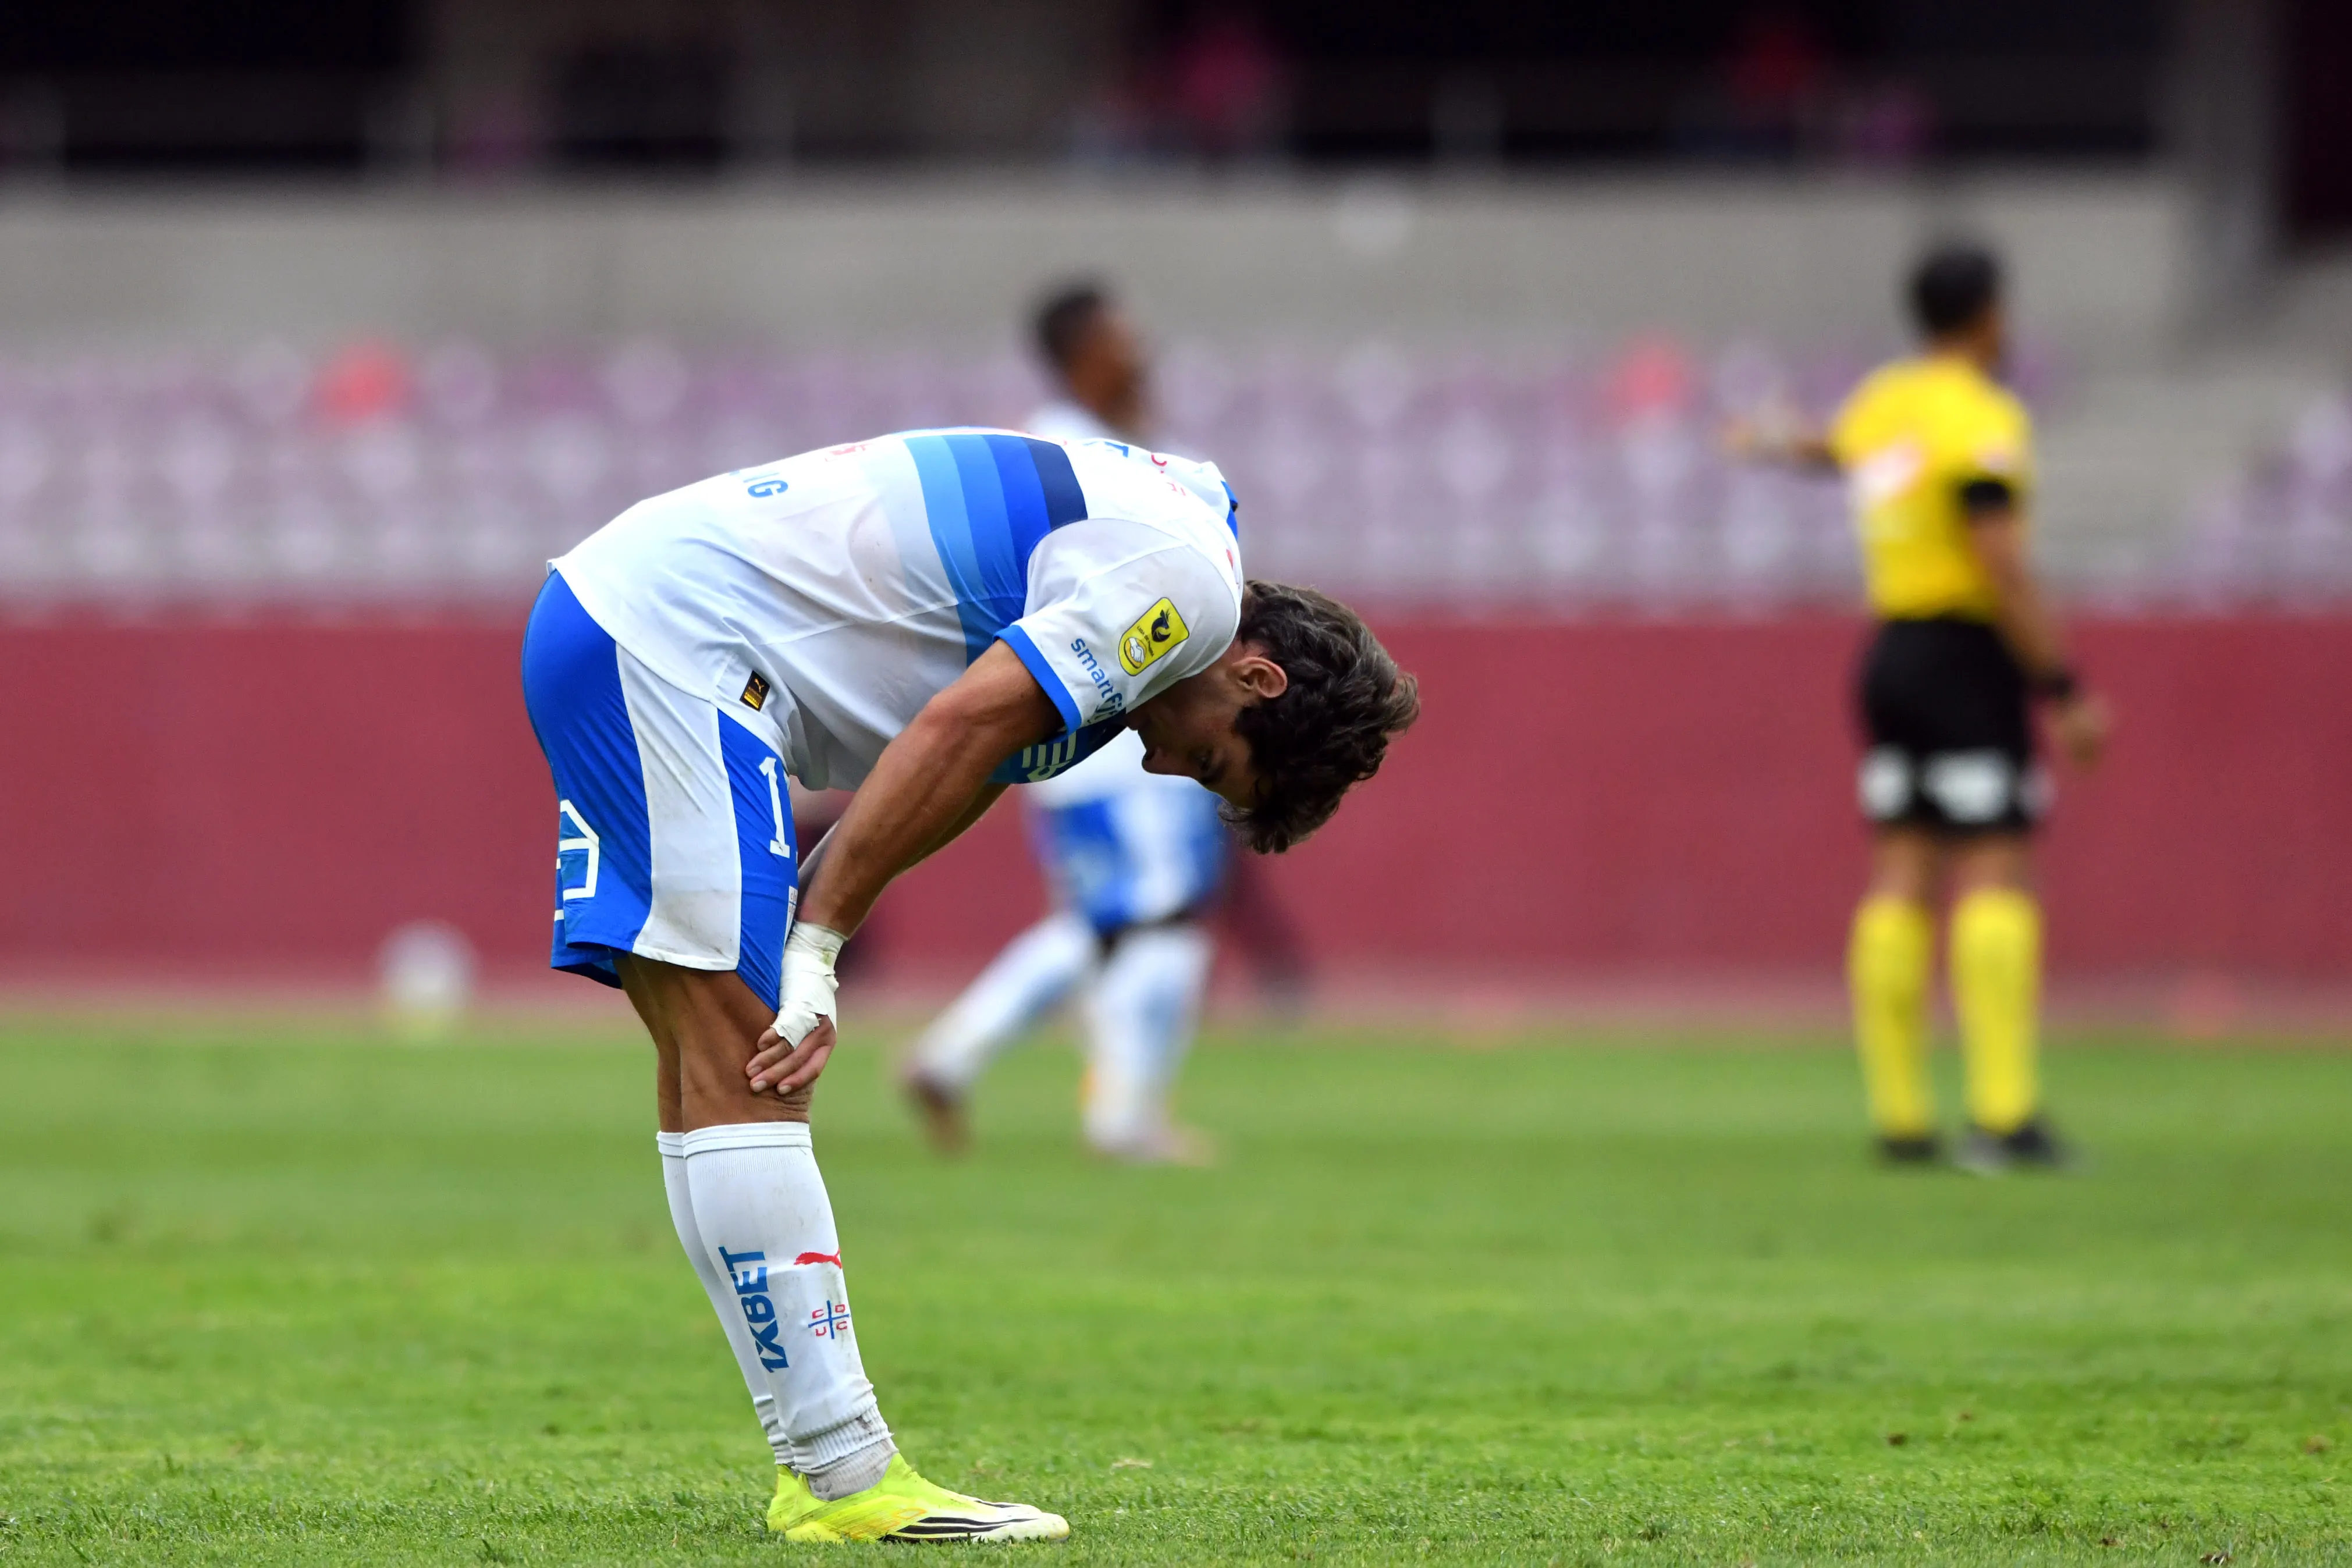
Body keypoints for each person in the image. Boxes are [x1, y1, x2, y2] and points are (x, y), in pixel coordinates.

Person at [519, 427, 1417, 1541]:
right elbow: (959, 727)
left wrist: (821, 927)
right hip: (673, 647)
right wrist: (818, 944)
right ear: (1256, 673)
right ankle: (847, 1481)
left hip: (641, 625)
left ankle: (821, 1471)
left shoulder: (1162, 573)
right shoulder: (1181, 591)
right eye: (1216, 759)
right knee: (752, 1063)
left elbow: (978, 762)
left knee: (712, 1066)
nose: (1162, 765)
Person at [1728, 243, 2111, 1173]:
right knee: (1995, 869)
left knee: (1901, 872)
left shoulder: (1886, 398)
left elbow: (1842, 449)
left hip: (1888, 656)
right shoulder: (1979, 414)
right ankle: (2002, 1115)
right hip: (1964, 655)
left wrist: (1776, 441)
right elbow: (2000, 558)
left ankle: (1901, 1119)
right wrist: (2063, 687)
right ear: (1988, 315)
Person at [899, 283, 1235, 1162]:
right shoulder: (1076, 451)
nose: (1142, 353)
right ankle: (1117, 1115)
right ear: (1082, 351)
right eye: (1123, 338)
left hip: (1068, 730)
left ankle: (963, 1057)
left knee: (1115, 917)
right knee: (1156, 914)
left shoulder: (1080, 444)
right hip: (1122, 728)